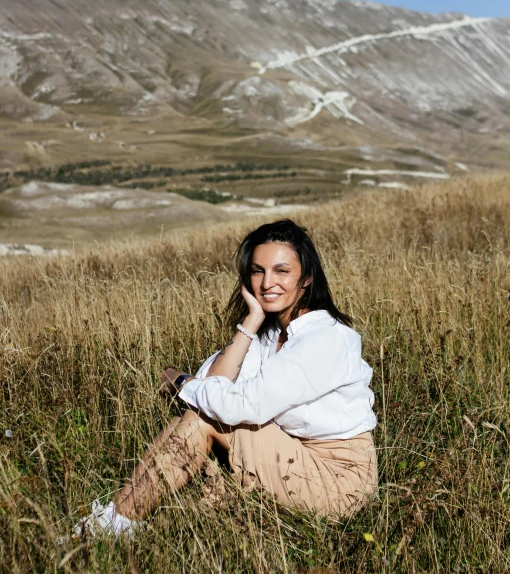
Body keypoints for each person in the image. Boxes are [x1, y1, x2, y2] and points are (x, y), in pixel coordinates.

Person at [74, 219, 377, 537]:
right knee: (191, 419)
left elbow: (238, 403)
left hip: (337, 479)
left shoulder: (325, 338)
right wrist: (251, 322)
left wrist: (185, 384)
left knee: (204, 419)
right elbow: (214, 381)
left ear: (307, 280)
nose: (267, 283)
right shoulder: (272, 333)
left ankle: (115, 525)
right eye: (258, 271)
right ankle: (116, 516)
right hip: (295, 453)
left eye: (281, 271)